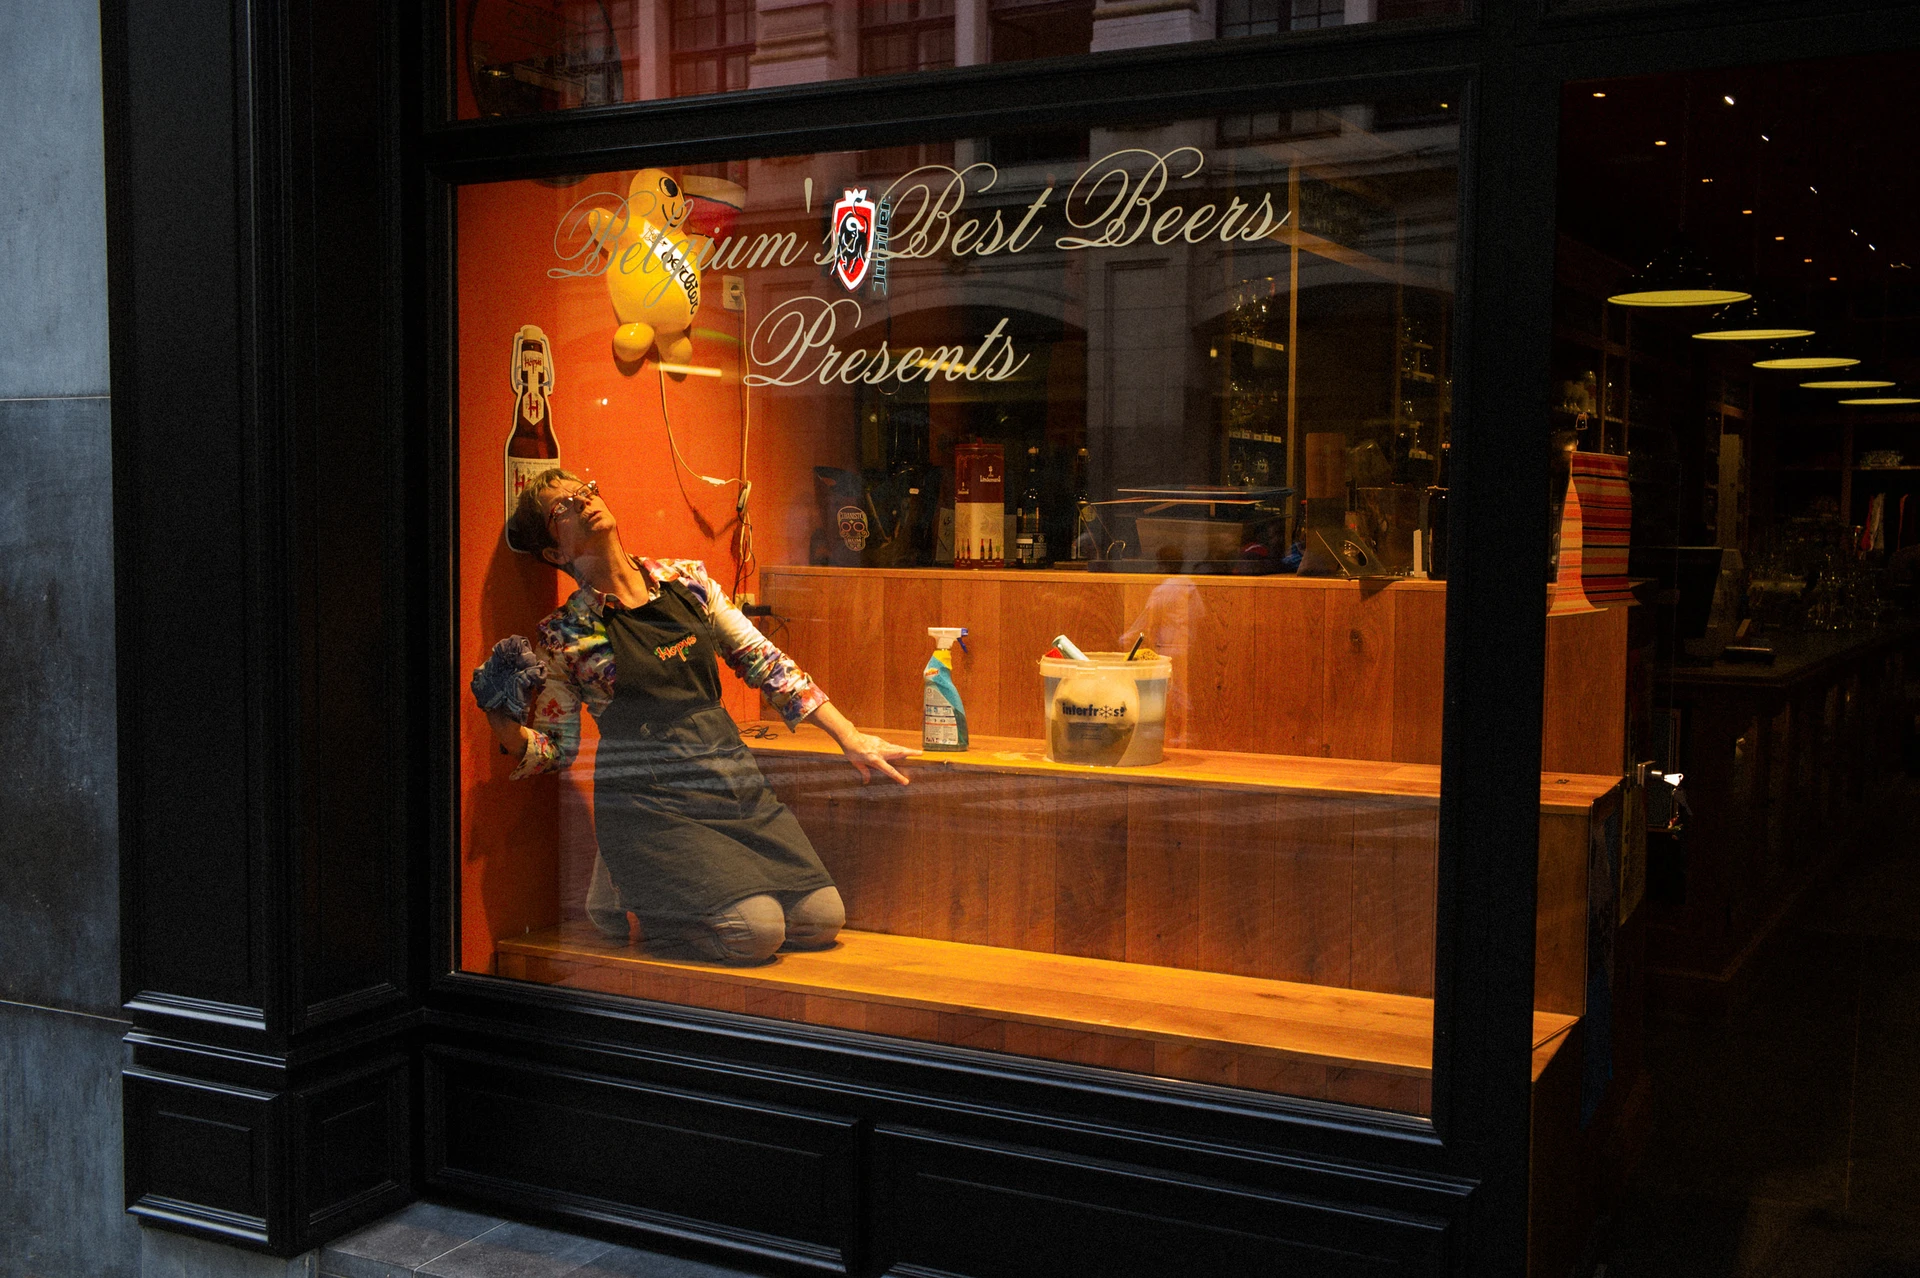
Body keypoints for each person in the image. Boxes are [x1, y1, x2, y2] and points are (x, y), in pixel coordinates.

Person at [481, 468, 911, 965]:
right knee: (757, 933)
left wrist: (850, 736)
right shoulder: (566, 635)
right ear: (554, 554)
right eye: (563, 508)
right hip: (652, 805)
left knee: (820, 920)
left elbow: (766, 662)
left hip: (728, 778)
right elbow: (557, 749)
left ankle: (623, 879)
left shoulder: (688, 581)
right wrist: (499, 718)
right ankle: (639, 891)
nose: (582, 503)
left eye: (584, 491)